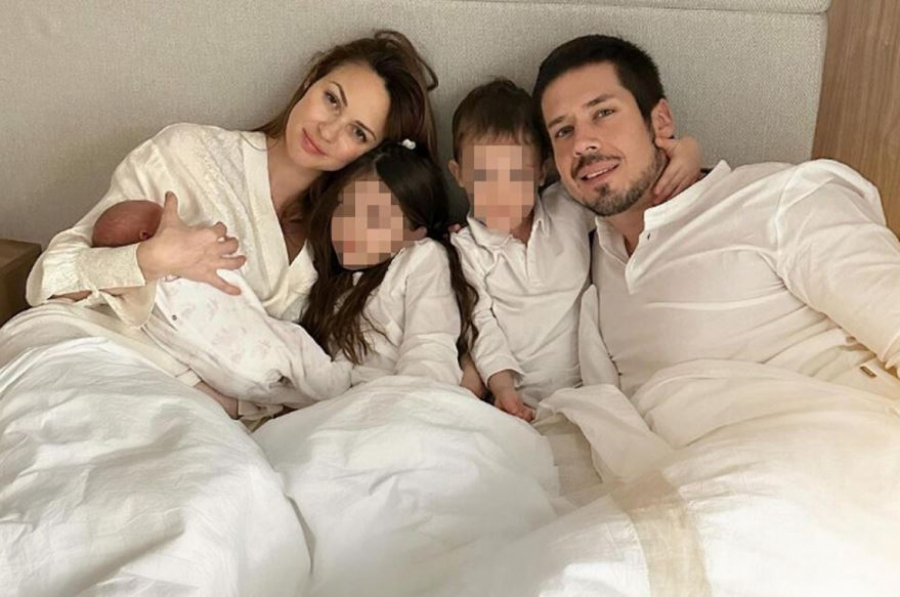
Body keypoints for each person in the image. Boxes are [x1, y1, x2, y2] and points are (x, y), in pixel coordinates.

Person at [13, 30, 440, 412]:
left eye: (357, 132)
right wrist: (147, 259)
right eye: (332, 99)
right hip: (90, 350)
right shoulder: (184, 152)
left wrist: (230, 406)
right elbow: (48, 280)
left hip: (195, 407)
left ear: (371, 154)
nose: (328, 131)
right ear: (311, 81)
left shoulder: (340, 245)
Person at [533, 34, 900, 398]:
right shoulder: (576, 246)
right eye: (563, 131)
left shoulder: (782, 200)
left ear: (660, 121)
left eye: (603, 113)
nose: (581, 143)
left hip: (828, 425)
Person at [447, 78, 701, 420]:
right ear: (459, 174)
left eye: (515, 176)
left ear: (542, 172)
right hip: (514, 390)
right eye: (484, 176)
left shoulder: (566, 208)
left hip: (591, 381)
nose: (500, 193)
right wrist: (503, 387)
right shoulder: (464, 249)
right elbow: (480, 325)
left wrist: (686, 152)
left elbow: (628, 194)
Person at [89, 199, 351, 420]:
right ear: (147, 237)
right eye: (171, 223)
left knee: (289, 395)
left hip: (230, 379)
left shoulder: (138, 294)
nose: (184, 226)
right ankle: (342, 388)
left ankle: (318, 405)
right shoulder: (172, 272)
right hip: (256, 352)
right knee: (297, 344)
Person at [301, 141, 478, 387]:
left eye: (374, 219)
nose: (351, 227)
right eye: (346, 207)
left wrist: (409, 404)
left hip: (404, 397)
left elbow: (429, 348)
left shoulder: (422, 258)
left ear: (416, 233)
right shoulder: (325, 280)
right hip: (340, 401)